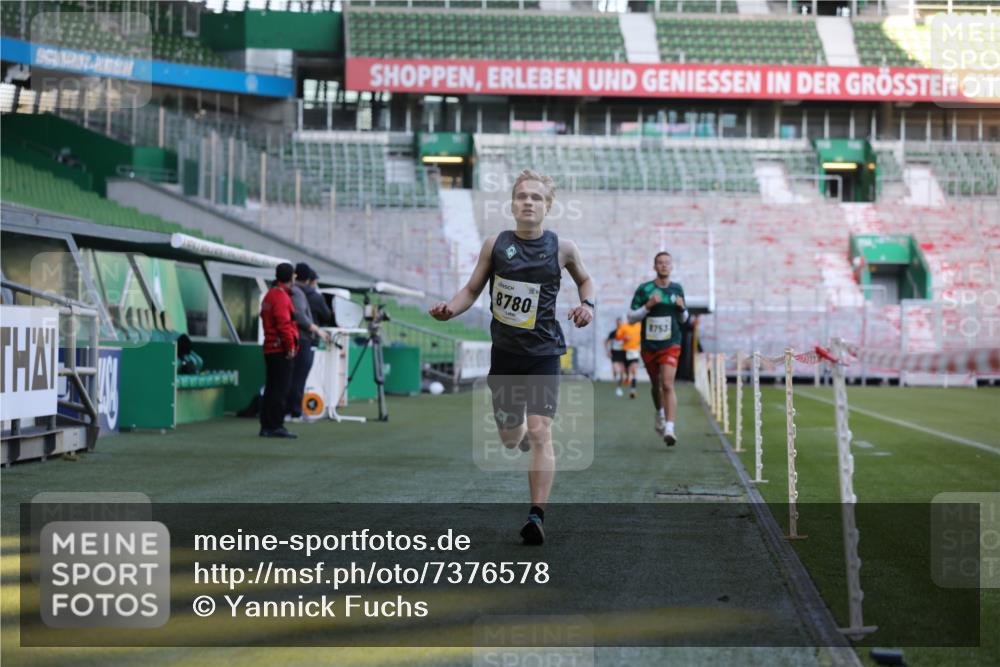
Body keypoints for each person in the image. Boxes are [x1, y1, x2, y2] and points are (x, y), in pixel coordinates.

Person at [429, 169, 595, 545]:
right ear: (512, 203)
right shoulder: (495, 244)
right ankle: (518, 435)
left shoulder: (562, 248)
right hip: (504, 355)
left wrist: (588, 305)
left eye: (536, 197)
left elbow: (586, 279)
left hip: (543, 354)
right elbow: (471, 289)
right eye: (522, 196)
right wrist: (449, 310)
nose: (529, 202)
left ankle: (536, 516)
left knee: (540, 432)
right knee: (510, 438)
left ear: (548, 206)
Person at [627, 251, 688, 447]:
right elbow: (630, 317)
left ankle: (670, 428)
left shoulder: (677, 289)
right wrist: (648, 306)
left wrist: (682, 309)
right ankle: (660, 413)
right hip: (650, 345)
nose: (663, 266)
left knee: (668, 384)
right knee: (656, 385)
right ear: (654, 267)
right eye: (660, 263)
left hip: (671, 343)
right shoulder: (645, 289)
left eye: (667, 263)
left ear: (671, 266)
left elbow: (684, 319)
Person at [286, 262, 331, 422]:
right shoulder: (301, 293)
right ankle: (295, 412)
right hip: (303, 339)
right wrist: (315, 328)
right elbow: (301, 316)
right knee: (299, 377)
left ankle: (292, 411)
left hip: (292, 339)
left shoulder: (290, 291)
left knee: (293, 377)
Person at [260, 262, 299, 439]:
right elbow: (284, 325)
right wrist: (290, 346)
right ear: (290, 277)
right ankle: (276, 425)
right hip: (280, 349)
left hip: (270, 348)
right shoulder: (282, 298)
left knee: (271, 388)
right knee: (280, 389)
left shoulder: (269, 295)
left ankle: (267, 425)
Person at [615, 317, 642, 399]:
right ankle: (619, 387)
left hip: (635, 352)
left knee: (634, 370)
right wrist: (624, 338)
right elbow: (617, 337)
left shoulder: (639, 326)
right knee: (624, 372)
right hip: (625, 351)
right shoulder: (624, 326)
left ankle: (633, 390)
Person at [605, 317, 626, 396]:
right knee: (616, 370)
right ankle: (617, 385)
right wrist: (608, 351)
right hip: (615, 353)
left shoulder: (625, 332)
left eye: (620, 323)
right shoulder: (613, 333)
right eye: (618, 323)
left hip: (623, 353)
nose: (619, 324)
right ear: (616, 323)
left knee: (621, 372)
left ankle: (619, 387)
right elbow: (606, 342)